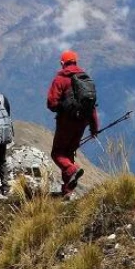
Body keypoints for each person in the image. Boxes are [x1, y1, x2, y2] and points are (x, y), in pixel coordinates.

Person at [47, 50, 100, 196]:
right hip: (82, 123)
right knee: (68, 154)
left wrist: (62, 109)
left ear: (62, 63)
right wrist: (94, 128)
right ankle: (67, 190)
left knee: (57, 153)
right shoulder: (85, 79)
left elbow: (51, 103)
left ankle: (73, 170)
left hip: (66, 123)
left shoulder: (60, 79)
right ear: (76, 61)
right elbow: (92, 107)